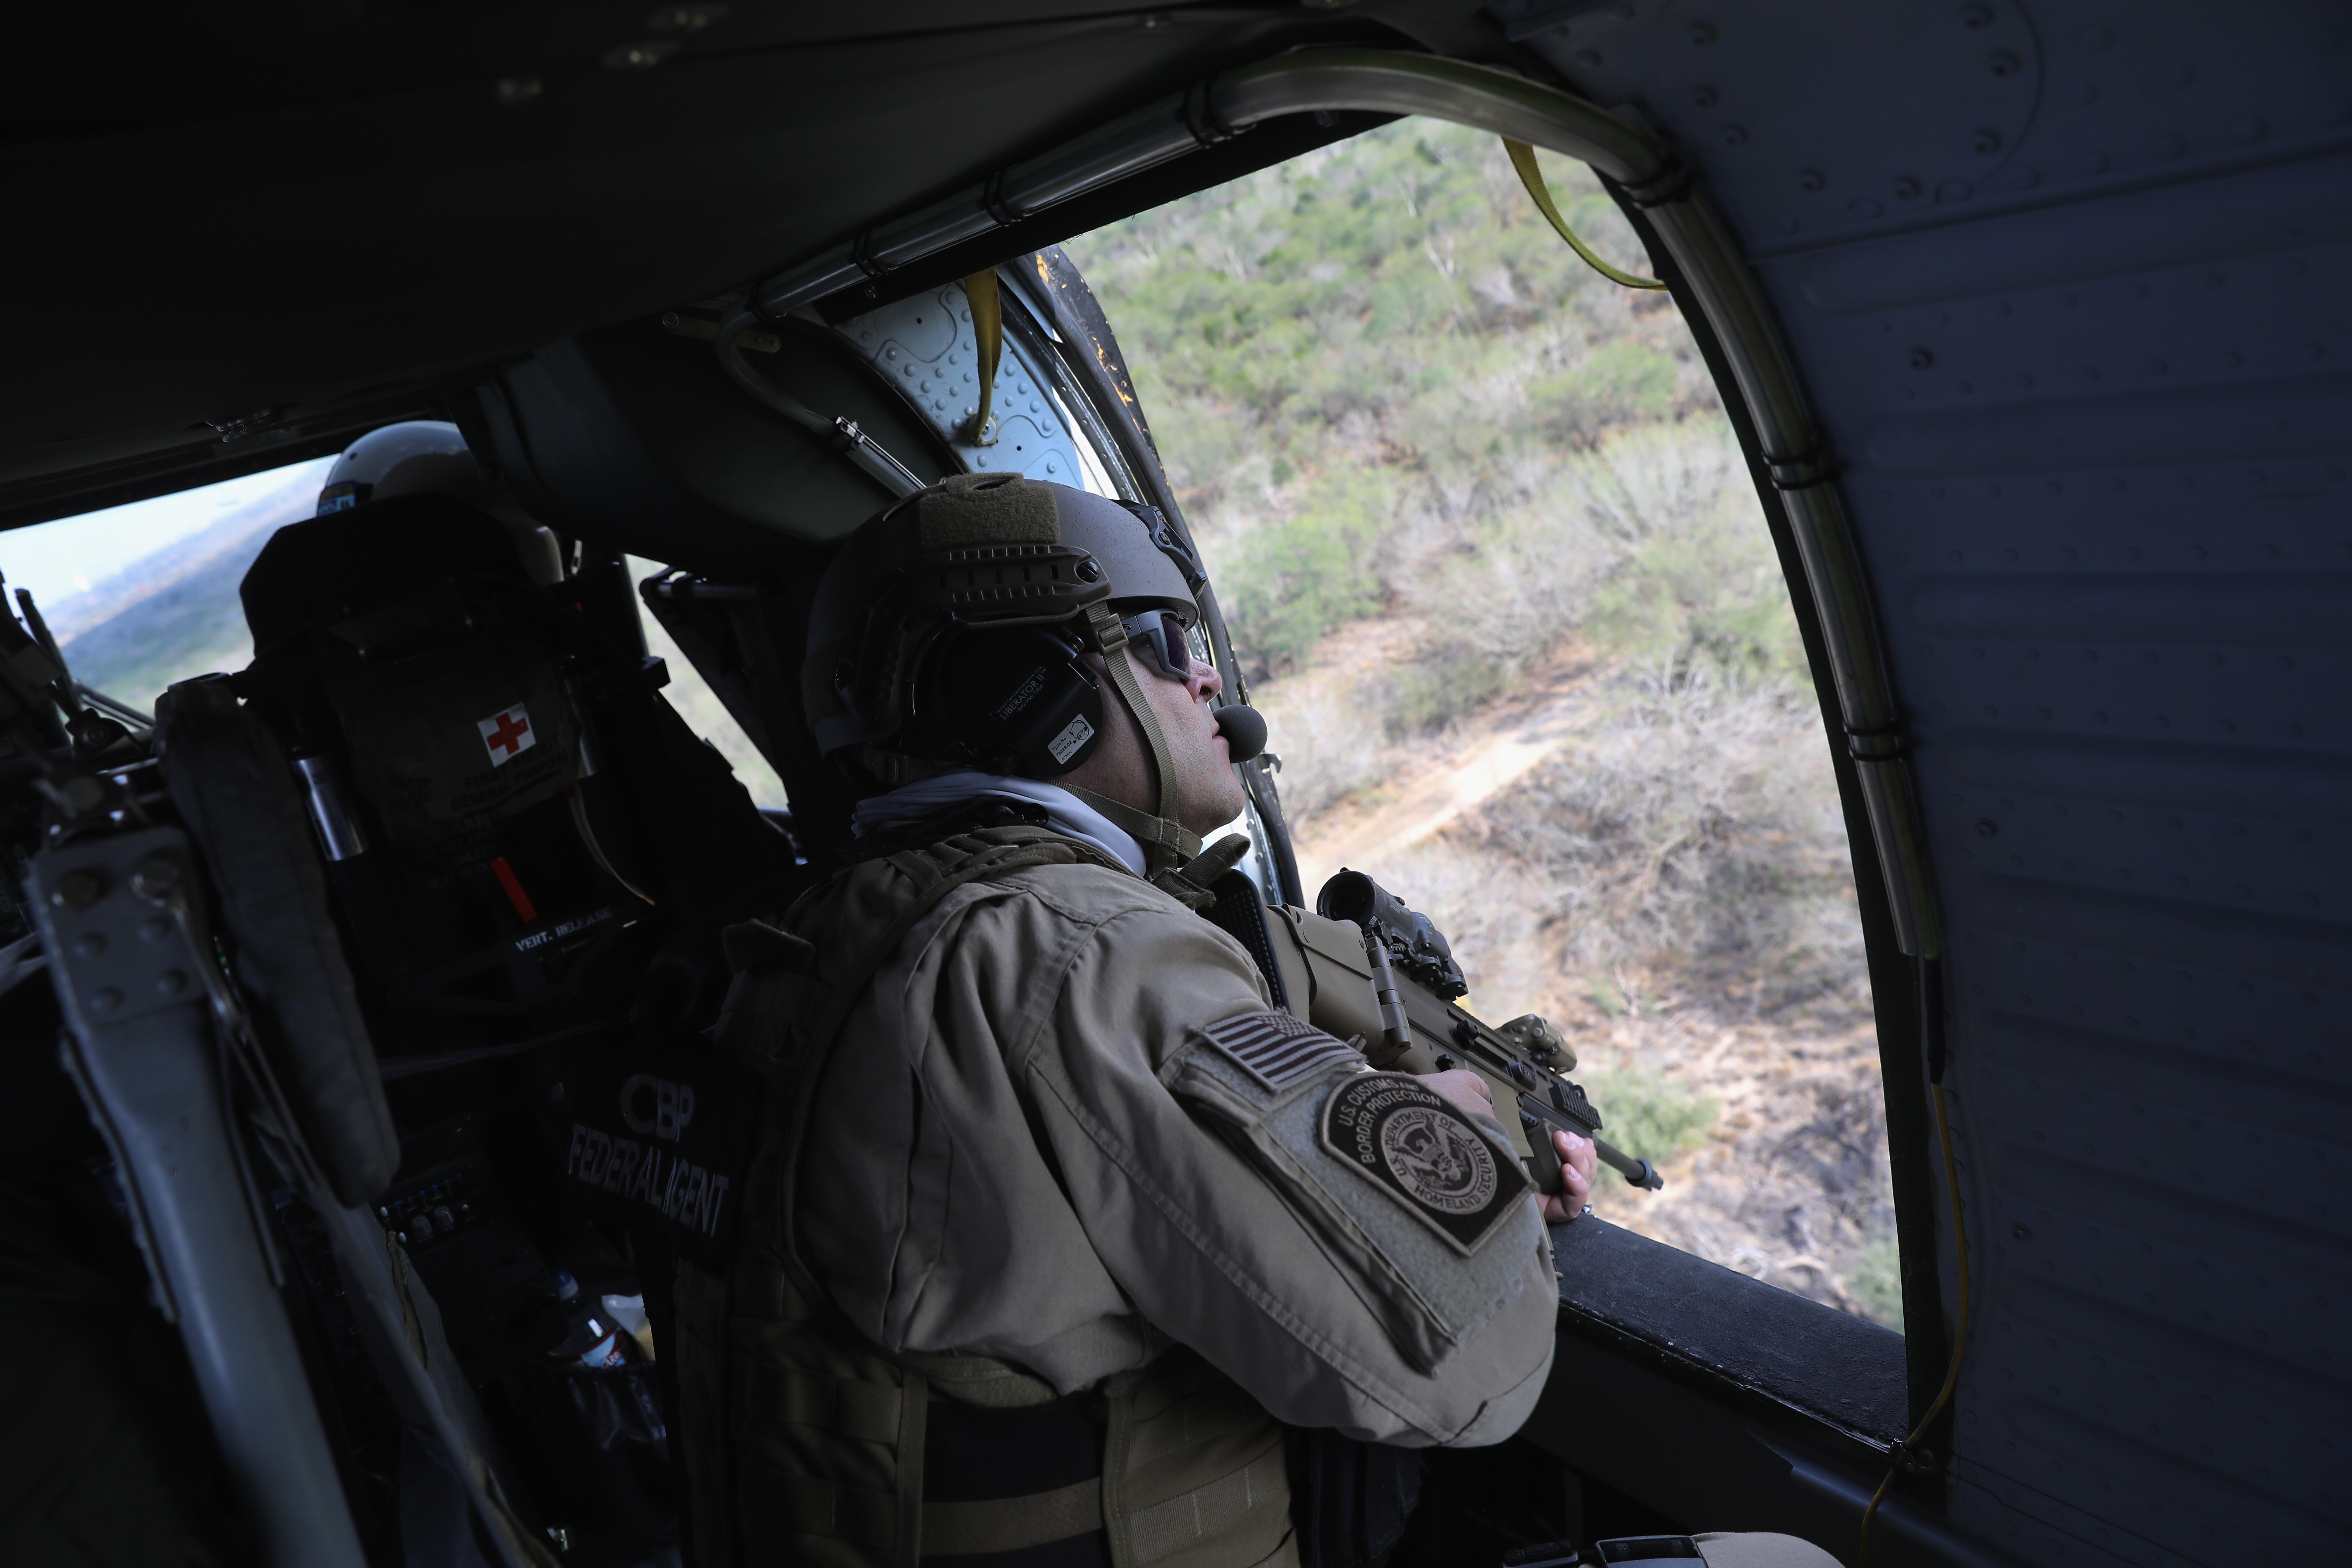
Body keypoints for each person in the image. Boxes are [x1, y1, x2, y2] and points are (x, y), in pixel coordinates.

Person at [671, 473, 1824, 1568]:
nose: (1213, 685)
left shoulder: (818, 928)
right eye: (1171, 644)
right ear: (1038, 692)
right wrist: (1460, 1129)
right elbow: (1466, 1363)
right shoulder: (1075, 948)